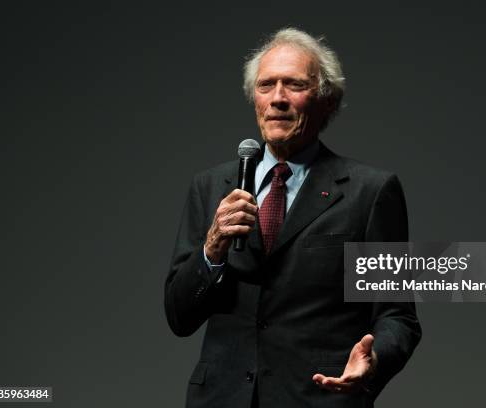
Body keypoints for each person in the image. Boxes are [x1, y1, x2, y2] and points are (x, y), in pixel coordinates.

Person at [164, 27, 421, 408]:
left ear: (326, 101)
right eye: (266, 85)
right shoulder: (211, 186)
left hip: (319, 398)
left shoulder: (370, 192)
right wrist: (212, 247)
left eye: (294, 85)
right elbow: (179, 317)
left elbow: (398, 316)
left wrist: (375, 361)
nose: (278, 99)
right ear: (254, 99)